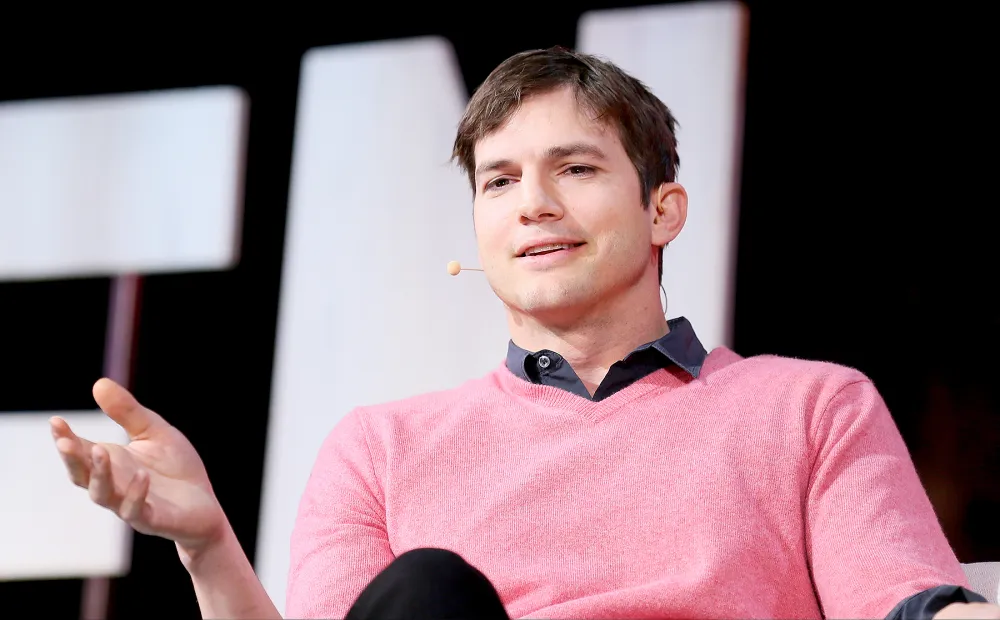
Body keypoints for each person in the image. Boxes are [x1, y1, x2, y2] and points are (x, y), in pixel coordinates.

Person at [50, 47, 999, 620]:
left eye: (575, 168)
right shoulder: (380, 449)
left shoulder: (808, 408)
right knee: (426, 595)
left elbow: (910, 604)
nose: (533, 206)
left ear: (663, 210)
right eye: (499, 181)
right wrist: (209, 543)